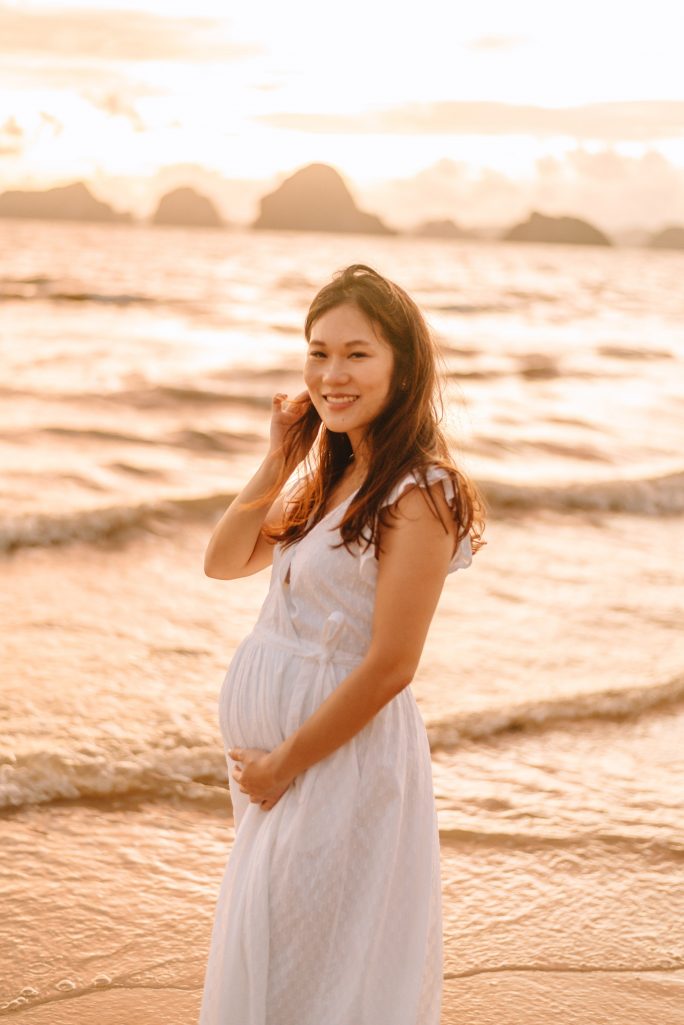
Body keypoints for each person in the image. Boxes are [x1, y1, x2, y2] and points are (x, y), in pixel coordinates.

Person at [198, 263, 486, 1025]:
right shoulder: (333, 479)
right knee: (282, 965)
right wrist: (278, 457)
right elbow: (222, 559)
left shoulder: (419, 490)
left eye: (357, 353)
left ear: (403, 363)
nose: (332, 373)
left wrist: (284, 762)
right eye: (317, 352)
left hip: (336, 764)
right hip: (281, 772)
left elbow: (393, 662)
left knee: (316, 978)